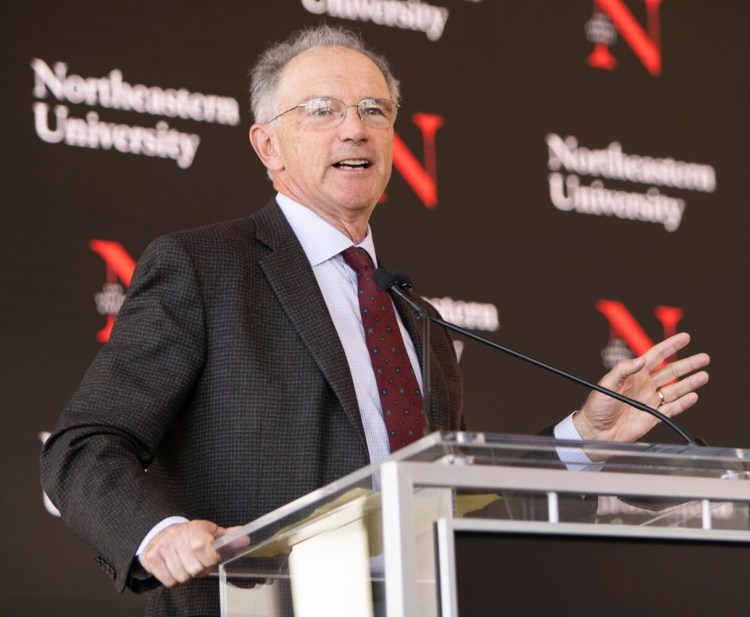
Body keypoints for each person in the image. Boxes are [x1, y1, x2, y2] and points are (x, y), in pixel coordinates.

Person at [40, 25, 710, 616]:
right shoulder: (204, 267)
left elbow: (450, 497)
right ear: (266, 144)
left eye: (373, 110)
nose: (353, 128)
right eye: (322, 110)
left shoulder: (418, 317)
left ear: (392, 137)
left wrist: (579, 442)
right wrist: (161, 534)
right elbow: (82, 445)